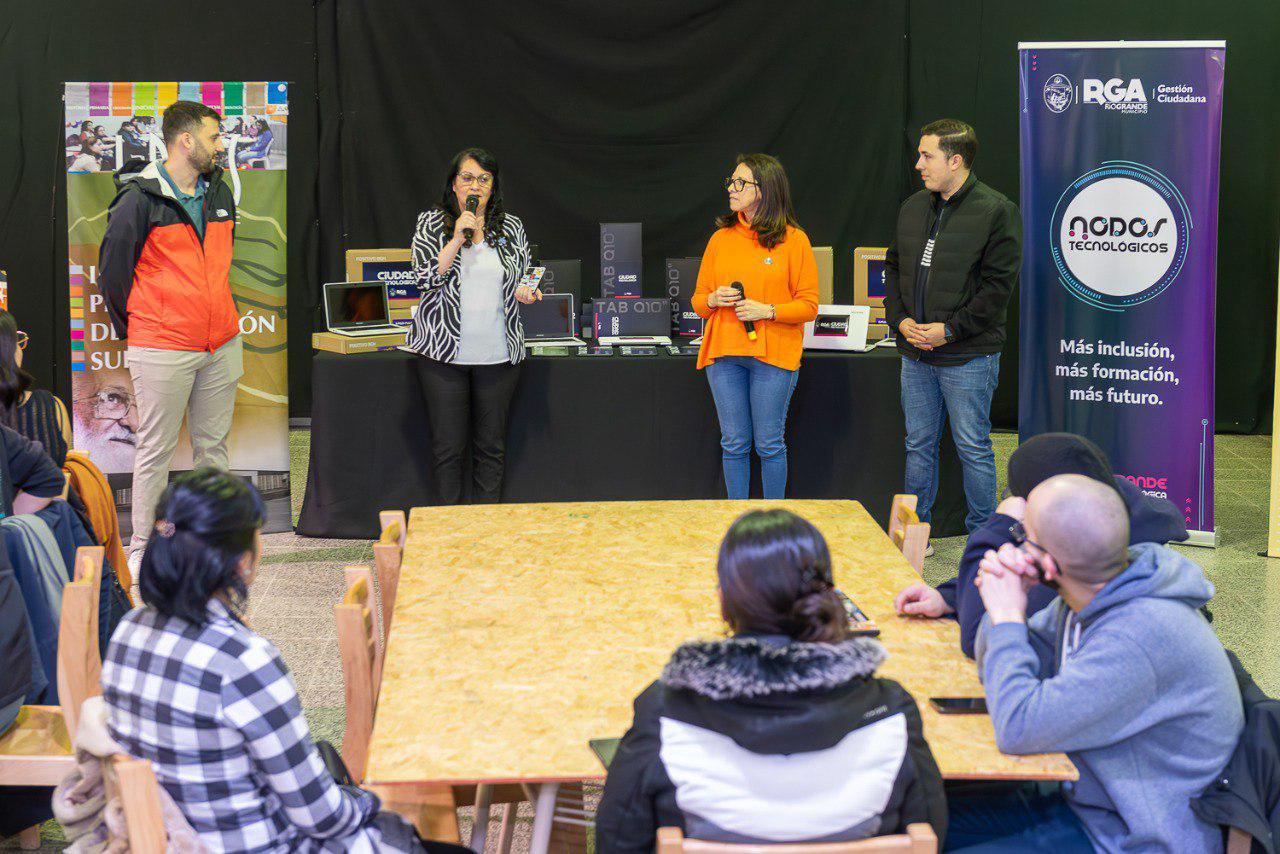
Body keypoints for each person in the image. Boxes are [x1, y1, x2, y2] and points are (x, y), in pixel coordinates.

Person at [101, 468, 468, 853]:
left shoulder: (128, 630)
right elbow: (322, 817)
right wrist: (370, 801)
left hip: (175, 839)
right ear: (243, 560)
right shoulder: (242, 661)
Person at [596, 509, 945, 851]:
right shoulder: (891, 710)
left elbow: (618, 840)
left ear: (723, 600)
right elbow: (931, 828)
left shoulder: (665, 710)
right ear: (828, 597)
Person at [952, 474, 1243, 852]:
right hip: (1085, 802)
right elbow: (996, 669)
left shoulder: (1138, 636)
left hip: (1129, 837)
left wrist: (1007, 615)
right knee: (923, 815)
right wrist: (1007, 607)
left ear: (1049, 566)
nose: (1015, 546)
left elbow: (1018, 727)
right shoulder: (1090, 593)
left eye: (1023, 536)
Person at [97, 99, 242, 579]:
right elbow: (113, 274)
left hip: (220, 342)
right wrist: (141, 328)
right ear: (186, 141)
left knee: (213, 447)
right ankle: (142, 546)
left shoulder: (220, 189)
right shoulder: (139, 197)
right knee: (155, 449)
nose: (221, 145)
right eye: (215, 137)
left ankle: (213, 539)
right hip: (161, 345)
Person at [893, 432, 1188, 657]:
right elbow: (1018, 567)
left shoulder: (1081, 557)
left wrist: (998, 526)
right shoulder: (1105, 514)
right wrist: (949, 596)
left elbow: (976, 637)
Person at [883, 120, 1020, 535]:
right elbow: (893, 268)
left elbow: (998, 289)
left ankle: (984, 535)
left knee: (973, 448)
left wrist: (950, 330)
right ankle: (914, 534)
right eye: (920, 155)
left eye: (928, 156)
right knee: (917, 446)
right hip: (916, 352)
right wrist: (900, 320)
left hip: (968, 356)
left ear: (955, 160)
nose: (918, 163)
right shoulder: (912, 207)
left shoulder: (996, 210)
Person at [405, 147, 540, 505]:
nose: (475, 185)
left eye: (484, 179)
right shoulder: (431, 224)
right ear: (454, 185)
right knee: (448, 449)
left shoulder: (512, 227)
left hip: (498, 355)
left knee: (491, 448)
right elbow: (423, 279)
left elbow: (527, 271)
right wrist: (456, 239)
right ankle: (448, 530)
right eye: (467, 178)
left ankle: (486, 530)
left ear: (493, 187)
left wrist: (528, 289)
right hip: (442, 355)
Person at [691, 154, 819, 499]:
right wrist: (714, 300)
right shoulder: (720, 238)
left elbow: (809, 306)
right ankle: (738, 522)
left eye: (740, 183)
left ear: (765, 190)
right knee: (733, 443)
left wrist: (768, 310)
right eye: (731, 182)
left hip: (773, 356)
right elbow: (698, 301)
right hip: (724, 354)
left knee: (769, 444)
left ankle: (773, 523)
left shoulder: (795, 240)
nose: (731, 189)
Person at [0, 311, 73, 467]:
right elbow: (67, 474)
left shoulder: (51, 406)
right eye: (15, 340)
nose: (20, 348)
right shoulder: (51, 406)